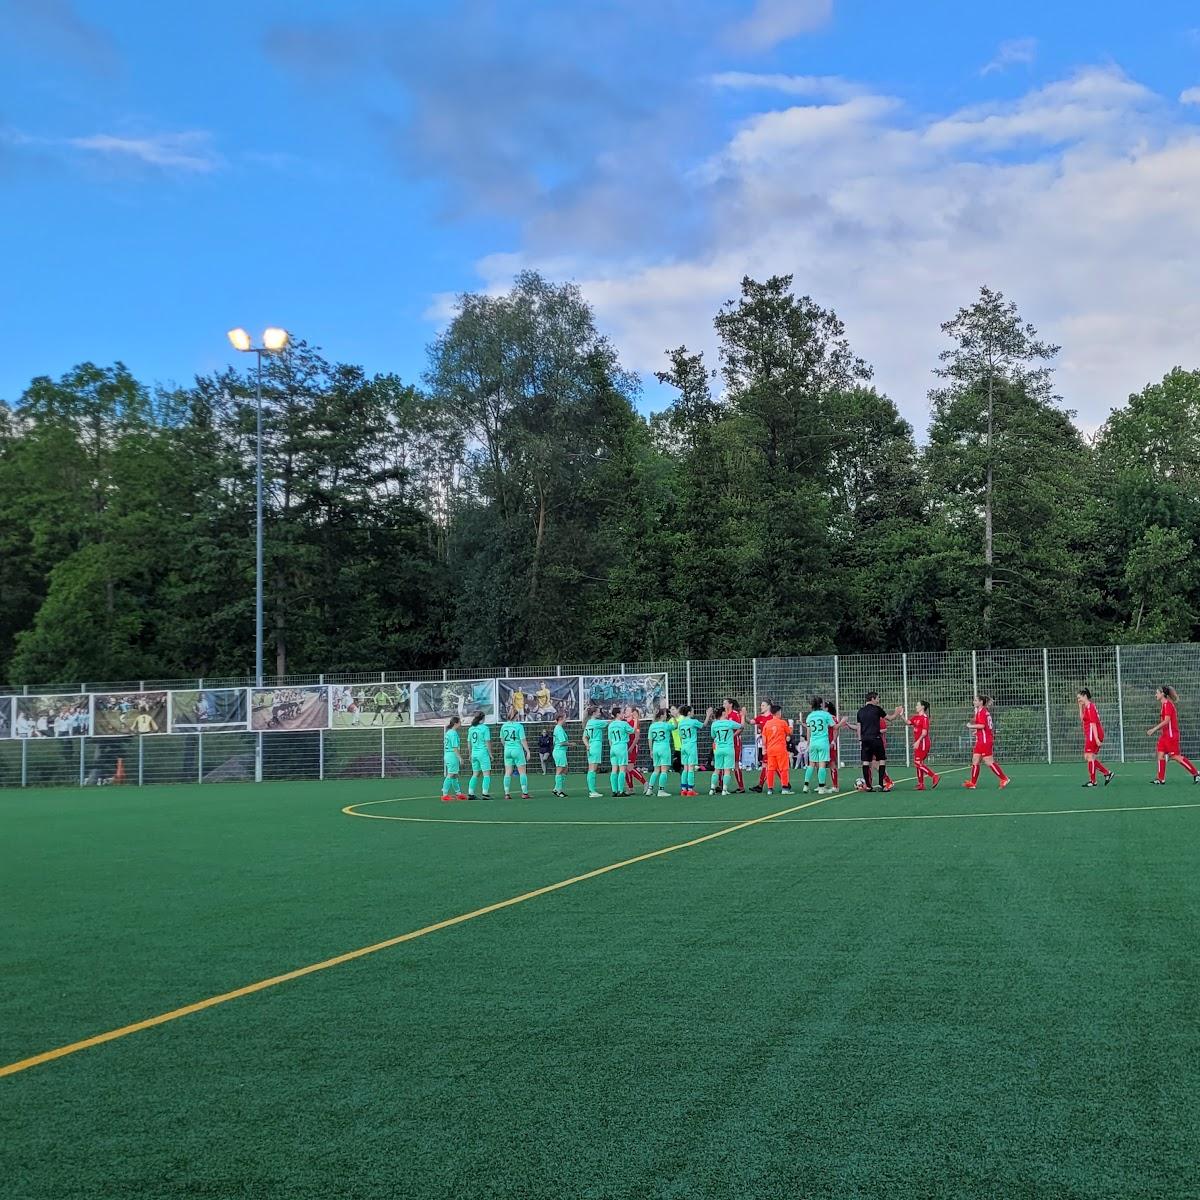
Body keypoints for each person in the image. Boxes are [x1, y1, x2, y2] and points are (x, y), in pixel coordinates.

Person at [1147, 684, 1199, 785]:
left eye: (1157, 693)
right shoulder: (1163, 705)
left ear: (1162, 694)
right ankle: (1160, 779)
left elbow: (1166, 721)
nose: (1155, 695)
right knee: (1160, 755)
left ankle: (1196, 774)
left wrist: (1154, 729)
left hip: (1171, 736)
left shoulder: (1168, 705)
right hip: (1165, 736)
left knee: (1176, 757)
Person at [856, 692, 904, 792]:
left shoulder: (860, 711)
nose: (878, 700)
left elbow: (859, 727)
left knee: (866, 762)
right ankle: (882, 785)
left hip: (865, 739)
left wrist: (860, 739)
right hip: (876, 738)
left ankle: (868, 786)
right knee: (881, 760)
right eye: (877, 698)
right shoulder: (877, 709)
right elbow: (890, 718)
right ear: (872, 699)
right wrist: (897, 712)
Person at [964, 695, 1009, 789]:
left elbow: (982, 726)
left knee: (989, 762)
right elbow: (985, 727)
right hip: (981, 740)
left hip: (985, 741)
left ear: (981, 702)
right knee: (975, 760)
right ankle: (973, 783)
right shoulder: (981, 712)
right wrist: (976, 732)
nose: (974, 702)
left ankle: (1004, 778)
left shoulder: (982, 712)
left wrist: (971, 726)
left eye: (976, 700)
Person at [1077, 688, 1113, 788]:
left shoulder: (1090, 707)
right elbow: (1083, 719)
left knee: (1089, 757)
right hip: (1090, 734)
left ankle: (1093, 781)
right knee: (1088, 757)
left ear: (1085, 696)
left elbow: (1093, 723)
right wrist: (1080, 707)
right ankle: (1107, 773)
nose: (1078, 700)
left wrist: (1096, 739)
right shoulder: (1086, 707)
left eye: (1079, 698)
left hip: (1093, 734)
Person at [707, 704, 741, 795]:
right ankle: (724, 790)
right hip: (728, 749)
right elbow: (741, 726)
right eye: (725, 711)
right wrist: (743, 716)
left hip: (718, 749)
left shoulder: (714, 724)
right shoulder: (729, 723)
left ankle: (712, 788)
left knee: (717, 769)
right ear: (723, 713)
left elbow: (713, 736)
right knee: (727, 770)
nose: (727, 713)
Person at [804, 697, 834, 794]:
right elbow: (833, 726)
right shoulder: (826, 714)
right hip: (823, 742)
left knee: (811, 764)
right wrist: (842, 723)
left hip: (813, 742)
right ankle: (821, 787)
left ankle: (806, 786)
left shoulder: (810, 716)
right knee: (822, 764)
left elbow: (808, 731)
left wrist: (808, 743)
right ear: (821, 704)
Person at [762, 704, 793, 795]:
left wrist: (765, 747)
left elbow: (764, 737)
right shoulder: (782, 722)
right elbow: (789, 732)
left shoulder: (767, 723)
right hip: (780, 749)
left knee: (771, 769)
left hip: (770, 749)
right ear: (778, 712)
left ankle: (770, 789)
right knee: (783, 768)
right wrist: (791, 725)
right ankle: (784, 788)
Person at [908, 700, 940, 791]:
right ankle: (921, 784)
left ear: (922, 707)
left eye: (917, 705)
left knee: (917, 762)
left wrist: (918, 741)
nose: (916, 706)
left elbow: (924, 732)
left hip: (923, 743)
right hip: (918, 743)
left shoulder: (925, 718)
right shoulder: (916, 717)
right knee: (919, 763)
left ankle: (934, 776)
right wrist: (901, 715)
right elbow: (908, 722)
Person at [499, 715, 531, 799]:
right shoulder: (519, 726)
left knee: (508, 772)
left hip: (507, 751)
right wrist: (527, 751)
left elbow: (502, 739)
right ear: (516, 716)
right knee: (522, 772)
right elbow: (523, 740)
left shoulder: (504, 726)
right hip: (517, 750)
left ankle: (506, 794)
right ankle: (524, 793)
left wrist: (507, 746)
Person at [645, 708, 674, 796]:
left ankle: (649, 789)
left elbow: (650, 739)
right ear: (662, 716)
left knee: (656, 770)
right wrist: (674, 717)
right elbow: (676, 726)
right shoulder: (666, 725)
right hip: (664, 748)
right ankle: (661, 790)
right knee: (664, 770)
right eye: (665, 714)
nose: (666, 715)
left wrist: (651, 750)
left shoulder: (652, 726)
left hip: (655, 748)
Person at [676, 705, 703, 796]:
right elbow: (703, 725)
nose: (693, 712)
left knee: (685, 768)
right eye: (692, 711)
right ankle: (690, 789)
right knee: (691, 768)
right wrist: (707, 716)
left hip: (683, 745)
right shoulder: (693, 722)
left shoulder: (681, 723)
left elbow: (680, 735)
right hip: (691, 746)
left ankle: (683, 789)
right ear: (688, 713)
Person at [583, 704, 609, 798]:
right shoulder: (596, 722)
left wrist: (587, 745)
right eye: (598, 711)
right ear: (594, 713)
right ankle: (592, 791)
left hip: (591, 745)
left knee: (591, 768)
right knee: (593, 769)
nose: (600, 713)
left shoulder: (588, 723)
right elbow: (608, 723)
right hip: (596, 745)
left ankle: (592, 790)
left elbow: (584, 737)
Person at [607, 706, 634, 796]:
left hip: (613, 747)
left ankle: (614, 791)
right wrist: (636, 720)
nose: (624, 714)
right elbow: (632, 731)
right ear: (618, 714)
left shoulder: (611, 725)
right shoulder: (623, 724)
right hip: (621, 746)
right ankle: (621, 791)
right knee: (622, 769)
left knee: (614, 769)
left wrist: (612, 747)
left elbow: (610, 739)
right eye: (622, 713)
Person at [466, 711, 492, 799]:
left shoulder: (471, 728)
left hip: (474, 753)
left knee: (475, 773)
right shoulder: (485, 728)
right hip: (483, 753)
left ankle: (470, 793)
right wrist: (490, 754)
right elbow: (487, 742)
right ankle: (485, 793)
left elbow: (469, 743)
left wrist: (470, 754)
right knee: (486, 774)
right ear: (483, 718)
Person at [749, 701, 773, 792]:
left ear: (768, 706)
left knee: (769, 765)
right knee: (767, 765)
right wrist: (744, 717)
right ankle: (760, 786)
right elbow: (751, 722)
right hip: (765, 745)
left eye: (763, 705)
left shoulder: (773, 717)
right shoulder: (760, 717)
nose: (761, 707)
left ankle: (785, 784)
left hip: (772, 745)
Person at [441, 716, 465, 803]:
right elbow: (455, 747)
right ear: (455, 723)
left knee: (454, 775)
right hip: (452, 755)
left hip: (448, 754)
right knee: (450, 774)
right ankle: (444, 794)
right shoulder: (453, 733)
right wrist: (460, 758)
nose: (460, 724)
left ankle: (458, 793)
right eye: (459, 722)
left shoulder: (448, 732)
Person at [727, 698, 748, 791]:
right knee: (722, 765)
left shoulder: (735, 714)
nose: (723, 705)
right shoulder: (724, 715)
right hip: (725, 744)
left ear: (730, 704)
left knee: (735, 764)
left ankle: (741, 786)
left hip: (735, 742)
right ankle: (720, 786)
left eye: (725, 703)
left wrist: (732, 736)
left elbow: (741, 728)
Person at [624, 706, 647, 790]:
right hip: (625, 747)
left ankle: (645, 783)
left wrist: (631, 747)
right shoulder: (624, 722)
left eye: (627, 710)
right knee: (625, 769)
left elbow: (636, 737)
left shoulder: (635, 722)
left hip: (632, 747)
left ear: (632, 713)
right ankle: (630, 788)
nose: (625, 711)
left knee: (629, 767)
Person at [551, 713, 571, 796]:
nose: (566, 720)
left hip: (560, 751)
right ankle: (559, 791)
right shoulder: (559, 729)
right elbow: (562, 742)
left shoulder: (559, 728)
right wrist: (571, 744)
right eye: (565, 718)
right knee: (559, 770)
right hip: (559, 751)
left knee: (565, 769)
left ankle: (556, 788)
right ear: (560, 719)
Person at [668, 706, 683, 776]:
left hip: (685, 746)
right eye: (671, 710)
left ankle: (688, 784)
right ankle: (684, 783)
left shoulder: (683, 718)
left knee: (687, 767)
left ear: (678, 710)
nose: (672, 711)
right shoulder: (670, 721)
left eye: (673, 709)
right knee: (677, 767)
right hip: (677, 747)